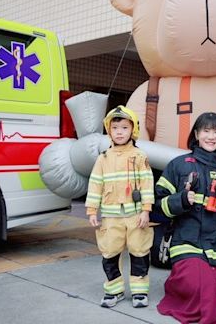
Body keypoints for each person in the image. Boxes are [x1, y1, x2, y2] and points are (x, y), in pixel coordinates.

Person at [155, 112, 216, 324]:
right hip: (187, 243)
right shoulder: (179, 165)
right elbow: (159, 205)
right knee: (202, 286)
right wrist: (181, 200)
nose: (211, 136)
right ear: (196, 134)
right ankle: (176, 287)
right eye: (206, 131)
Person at [85, 106, 154, 308]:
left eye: (124, 127)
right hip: (110, 216)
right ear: (109, 131)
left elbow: (147, 183)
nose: (120, 132)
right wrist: (91, 210)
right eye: (115, 128)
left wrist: (146, 210)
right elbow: (95, 183)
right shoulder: (103, 158)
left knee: (139, 252)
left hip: (136, 216)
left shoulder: (140, 156)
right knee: (110, 253)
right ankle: (113, 291)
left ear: (133, 130)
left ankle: (139, 291)